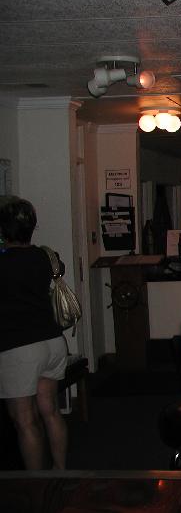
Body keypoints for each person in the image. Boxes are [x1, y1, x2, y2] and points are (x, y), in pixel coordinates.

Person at [0, 197, 68, 470]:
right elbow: (59, 270)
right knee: (51, 412)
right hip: (52, 341)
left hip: (18, 346)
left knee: (25, 421)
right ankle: (61, 473)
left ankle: (35, 484)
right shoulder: (45, 256)